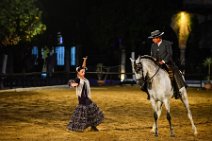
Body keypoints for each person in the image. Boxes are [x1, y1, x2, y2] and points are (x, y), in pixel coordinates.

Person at [147, 29, 187, 99]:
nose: (152, 40)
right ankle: (150, 91)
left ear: (158, 38)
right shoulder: (153, 45)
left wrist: (163, 61)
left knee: (173, 73)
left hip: (167, 62)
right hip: (157, 63)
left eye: (153, 38)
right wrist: (153, 60)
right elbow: (152, 55)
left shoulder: (167, 44)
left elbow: (169, 54)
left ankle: (177, 91)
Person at [67, 57, 104, 132]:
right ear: (78, 73)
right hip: (82, 99)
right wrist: (72, 84)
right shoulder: (78, 79)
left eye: (84, 72)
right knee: (83, 113)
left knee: (91, 111)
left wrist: (84, 60)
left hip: (86, 98)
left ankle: (93, 126)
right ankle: (74, 127)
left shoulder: (83, 78)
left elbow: (83, 67)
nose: (84, 73)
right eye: (82, 72)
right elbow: (74, 83)